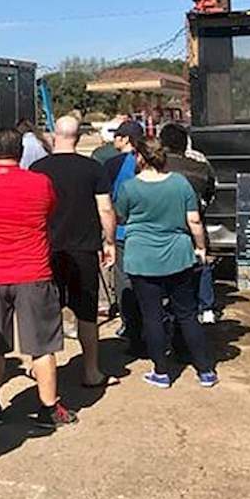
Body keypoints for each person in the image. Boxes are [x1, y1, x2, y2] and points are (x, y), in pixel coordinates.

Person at [0, 128, 77, 430]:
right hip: (33, 271)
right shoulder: (40, 183)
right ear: (21, 153)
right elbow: (49, 212)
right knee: (42, 345)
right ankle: (49, 406)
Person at [113, 139, 217, 388]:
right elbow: (194, 221)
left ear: (139, 157)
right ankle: (205, 370)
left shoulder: (129, 187)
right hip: (178, 255)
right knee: (187, 315)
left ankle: (161, 371)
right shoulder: (180, 183)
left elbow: (121, 217)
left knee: (152, 316)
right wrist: (201, 247)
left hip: (142, 257)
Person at [30, 115, 117, 387]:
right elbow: (105, 209)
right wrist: (110, 242)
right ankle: (91, 370)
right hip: (84, 249)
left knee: (46, 311)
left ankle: (40, 367)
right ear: (78, 138)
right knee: (86, 313)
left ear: (53, 135)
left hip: (47, 249)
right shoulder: (93, 168)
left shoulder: (37, 168)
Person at [160, 123, 219, 323]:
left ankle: (168, 306)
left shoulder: (156, 167)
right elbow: (211, 192)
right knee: (201, 263)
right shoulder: (201, 168)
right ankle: (206, 308)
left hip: (162, 225)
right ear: (185, 144)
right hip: (194, 222)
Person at [105, 120, 145, 345]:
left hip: (122, 230)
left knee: (124, 280)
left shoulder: (113, 164)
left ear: (126, 139)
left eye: (117, 136)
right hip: (147, 230)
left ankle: (130, 325)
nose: (114, 140)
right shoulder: (150, 160)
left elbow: (106, 199)